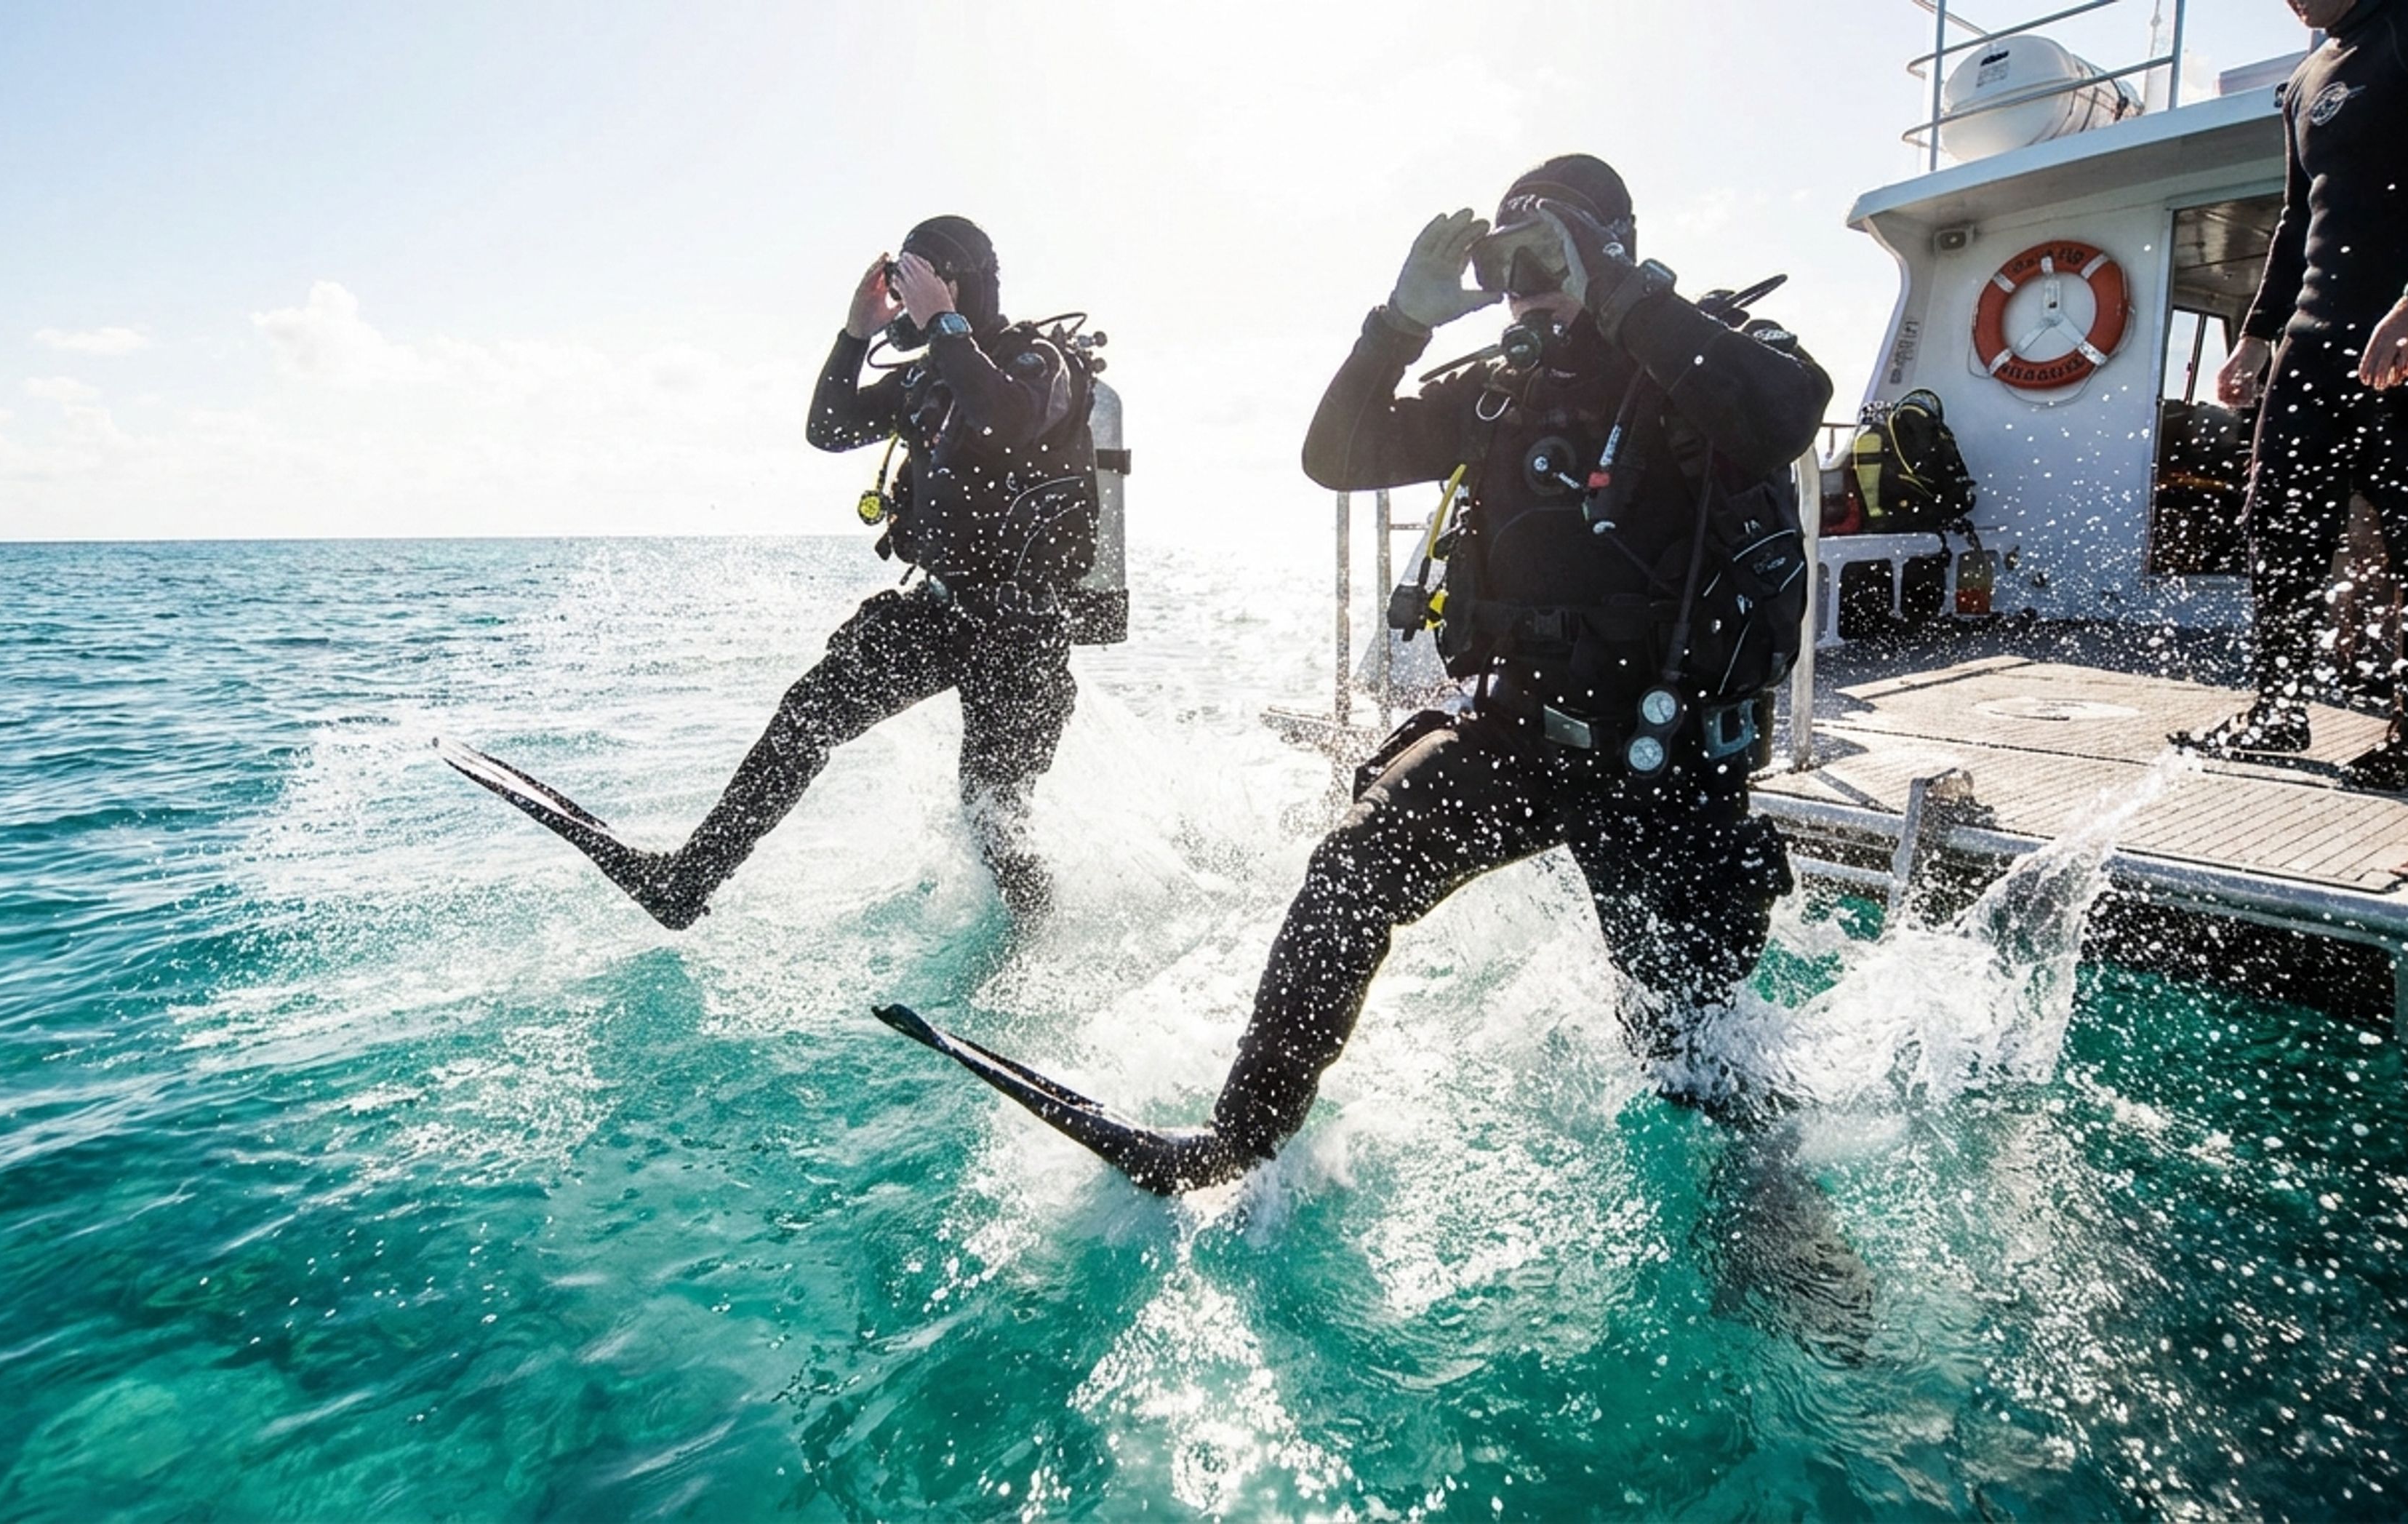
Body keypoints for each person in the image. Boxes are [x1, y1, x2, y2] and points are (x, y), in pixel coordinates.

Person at [888, 156, 1834, 1194]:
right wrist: (1398, 324)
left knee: (1688, 1055)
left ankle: (1771, 1215)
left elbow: (1783, 415)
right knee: (1351, 869)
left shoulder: (1701, 357)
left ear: (1613, 250)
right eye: (1505, 268)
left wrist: (1612, 286)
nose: (1523, 289)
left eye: (1546, 258)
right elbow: (1335, 454)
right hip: (1521, 735)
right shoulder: (1502, 391)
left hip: (1670, 763)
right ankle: (1236, 1140)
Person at [446, 215, 1099, 926]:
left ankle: (1039, 940)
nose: (907, 300)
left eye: (917, 280)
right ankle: (686, 882)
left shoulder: (1039, 362)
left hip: (1022, 631)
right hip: (940, 611)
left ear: (956, 282)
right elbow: (831, 428)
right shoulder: (927, 379)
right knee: (807, 716)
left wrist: (944, 323)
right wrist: (855, 334)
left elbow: (1003, 419)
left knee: (994, 819)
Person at [2175, 0, 2408, 791]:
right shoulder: (2309, 76)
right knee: (2280, 522)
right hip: (2316, 337)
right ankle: (2277, 708)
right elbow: (2298, 214)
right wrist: (2258, 334)